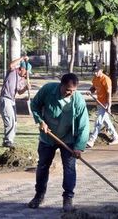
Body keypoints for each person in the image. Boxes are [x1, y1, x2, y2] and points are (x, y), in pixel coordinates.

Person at [28, 73, 90, 212]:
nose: (70, 93)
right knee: (43, 166)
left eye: (73, 90)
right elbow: (35, 105)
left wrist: (79, 147)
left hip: (68, 140)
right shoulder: (48, 90)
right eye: (68, 89)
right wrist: (40, 121)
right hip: (48, 137)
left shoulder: (78, 100)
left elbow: (84, 126)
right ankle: (39, 195)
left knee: (69, 168)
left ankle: (68, 198)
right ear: (61, 85)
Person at [0, 56, 31, 148]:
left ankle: (10, 140)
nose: (26, 75)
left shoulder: (22, 79)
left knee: (14, 121)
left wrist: (26, 88)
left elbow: (20, 92)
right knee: (9, 120)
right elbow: (11, 64)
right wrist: (22, 58)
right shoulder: (12, 71)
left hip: (12, 100)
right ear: (22, 69)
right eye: (26, 73)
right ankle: (7, 141)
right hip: (5, 98)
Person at [87, 66, 118, 148]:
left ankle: (92, 140)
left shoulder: (106, 79)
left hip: (105, 103)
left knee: (98, 121)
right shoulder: (95, 78)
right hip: (99, 102)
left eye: (97, 71)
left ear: (101, 70)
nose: (95, 73)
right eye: (94, 71)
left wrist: (109, 105)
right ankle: (116, 137)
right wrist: (90, 91)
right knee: (106, 121)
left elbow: (109, 93)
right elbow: (93, 87)